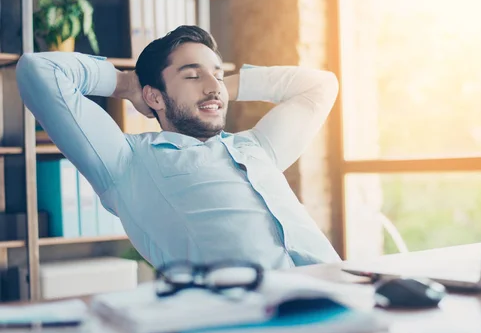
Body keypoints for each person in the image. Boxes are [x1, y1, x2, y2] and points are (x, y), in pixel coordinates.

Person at [16, 25, 341, 269]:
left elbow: (320, 85)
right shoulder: (126, 162)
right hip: (259, 320)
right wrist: (127, 84)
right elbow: (39, 71)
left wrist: (217, 86)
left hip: (343, 288)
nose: (212, 86)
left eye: (216, 73)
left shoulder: (256, 146)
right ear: (154, 96)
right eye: (191, 76)